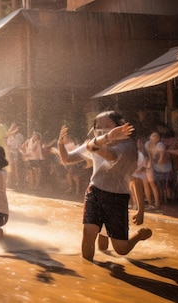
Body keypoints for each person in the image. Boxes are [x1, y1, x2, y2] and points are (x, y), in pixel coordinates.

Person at [58, 111, 152, 262]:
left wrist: (141, 210)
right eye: (98, 126)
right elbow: (66, 158)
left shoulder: (128, 147)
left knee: (121, 249)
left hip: (116, 198)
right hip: (94, 192)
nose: (101, 129)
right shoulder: (98, 141)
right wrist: (60, 143)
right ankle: (87, 277)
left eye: (107, 126)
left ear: (120, 126)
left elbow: (135, 179)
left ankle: (139, 235)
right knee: (89, 235)